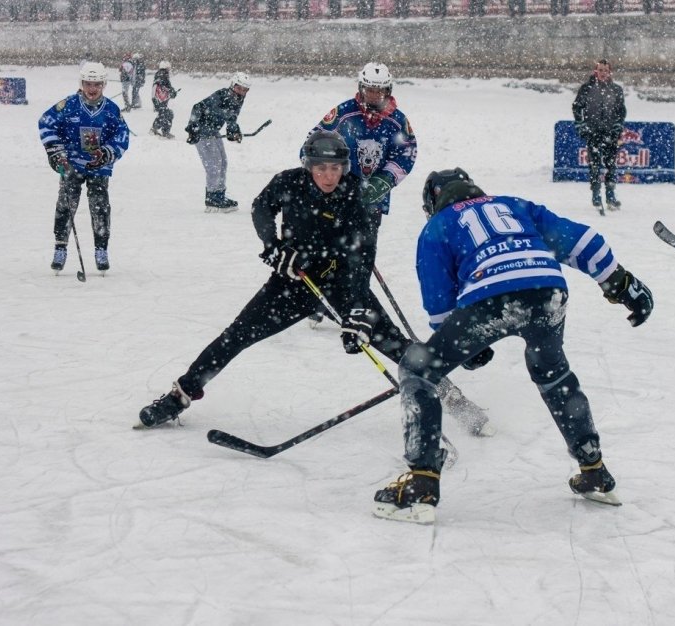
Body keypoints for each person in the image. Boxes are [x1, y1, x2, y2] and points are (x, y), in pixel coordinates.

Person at [137, 133, 492, 438]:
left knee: (396, 344)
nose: (327, 175)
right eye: (320, 168)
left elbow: (362, 257)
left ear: (344, 168)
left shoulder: (360, 195)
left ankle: (451, 395)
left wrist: (355, 310)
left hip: (342, 283)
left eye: (335, 168)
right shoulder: (289, 182)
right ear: (309, 166)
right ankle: (180, 394)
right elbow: (262, 207)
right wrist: (273, 248)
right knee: (236, 336)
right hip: (292, 283)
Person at [372, 168, 654, 524]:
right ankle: (594, 470)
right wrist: (621, 283)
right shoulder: (514, 205)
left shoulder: (438, 227)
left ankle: (421, 483)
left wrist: (469, 350)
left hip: (490, 297)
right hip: (546, 288)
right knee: (552, 372)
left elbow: (440, 303)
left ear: (432, 204)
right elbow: (581, 241)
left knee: (418, 371)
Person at [305, 61, 417, 325]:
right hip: (337, 197)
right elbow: (311, 143)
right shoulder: (343, 114)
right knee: (330, 250)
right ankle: (322, 300)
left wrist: (385, 179)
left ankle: (356, 303)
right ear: (360, 88)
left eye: (379, 91)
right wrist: (328, 176)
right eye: (369, 90)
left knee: (363, 255)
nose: (374, 96)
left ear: (387, 90)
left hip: (372, 202)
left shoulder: (397, 121)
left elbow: (407, 154)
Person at [38, 61, 130, 273]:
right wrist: (56, 151)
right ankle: (60, 247)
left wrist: (107, 153)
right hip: (71, 164)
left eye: (97, 84)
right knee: (66, 204)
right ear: (81, 83)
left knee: (100, 207)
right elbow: (46, 122)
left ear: (104, 85)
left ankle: (101, 249)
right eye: (88, 84)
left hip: (99, 167)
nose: (92, 89)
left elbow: (122, 137)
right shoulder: (68, 105)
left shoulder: (112, 110)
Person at [184, 72, 251, 213]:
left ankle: (219, 195)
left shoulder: (239, 99)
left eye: (245, 90)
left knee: (223, 162)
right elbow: (197, 107)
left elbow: (231, 117)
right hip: (202, 132)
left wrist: (234, 131)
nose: (242, 92)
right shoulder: (222, 95)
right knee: (213, 164)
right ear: (233, 85)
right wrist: (193, 128)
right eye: (240, 88)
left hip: (213, 132)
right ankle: (212, 198)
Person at [572, 59, 627, 215]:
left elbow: (621, 111)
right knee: (595, 165)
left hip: (610, 133)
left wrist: (617, 126)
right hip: (593, 132)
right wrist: (581, 125)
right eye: (600, 70)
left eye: (606, 70)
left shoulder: (616, 90)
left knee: (611, 165)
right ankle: (596, 195)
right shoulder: (586, 89)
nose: (603, 73)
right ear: (595, 71)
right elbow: (577, 107)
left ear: (610, 73)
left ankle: (610, 195)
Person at [150, 60, 178, 139]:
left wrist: (172, 91)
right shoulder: (162, 74)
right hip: (158, 99)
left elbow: (166, 86)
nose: (169, 69)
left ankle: (160, 130)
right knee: (166, 114)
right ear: (165, 67)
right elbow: (163, 85)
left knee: (165, 114)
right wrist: (171, 91)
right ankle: (159, 130)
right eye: (168, 68)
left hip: (159, 99)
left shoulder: (161, 74)